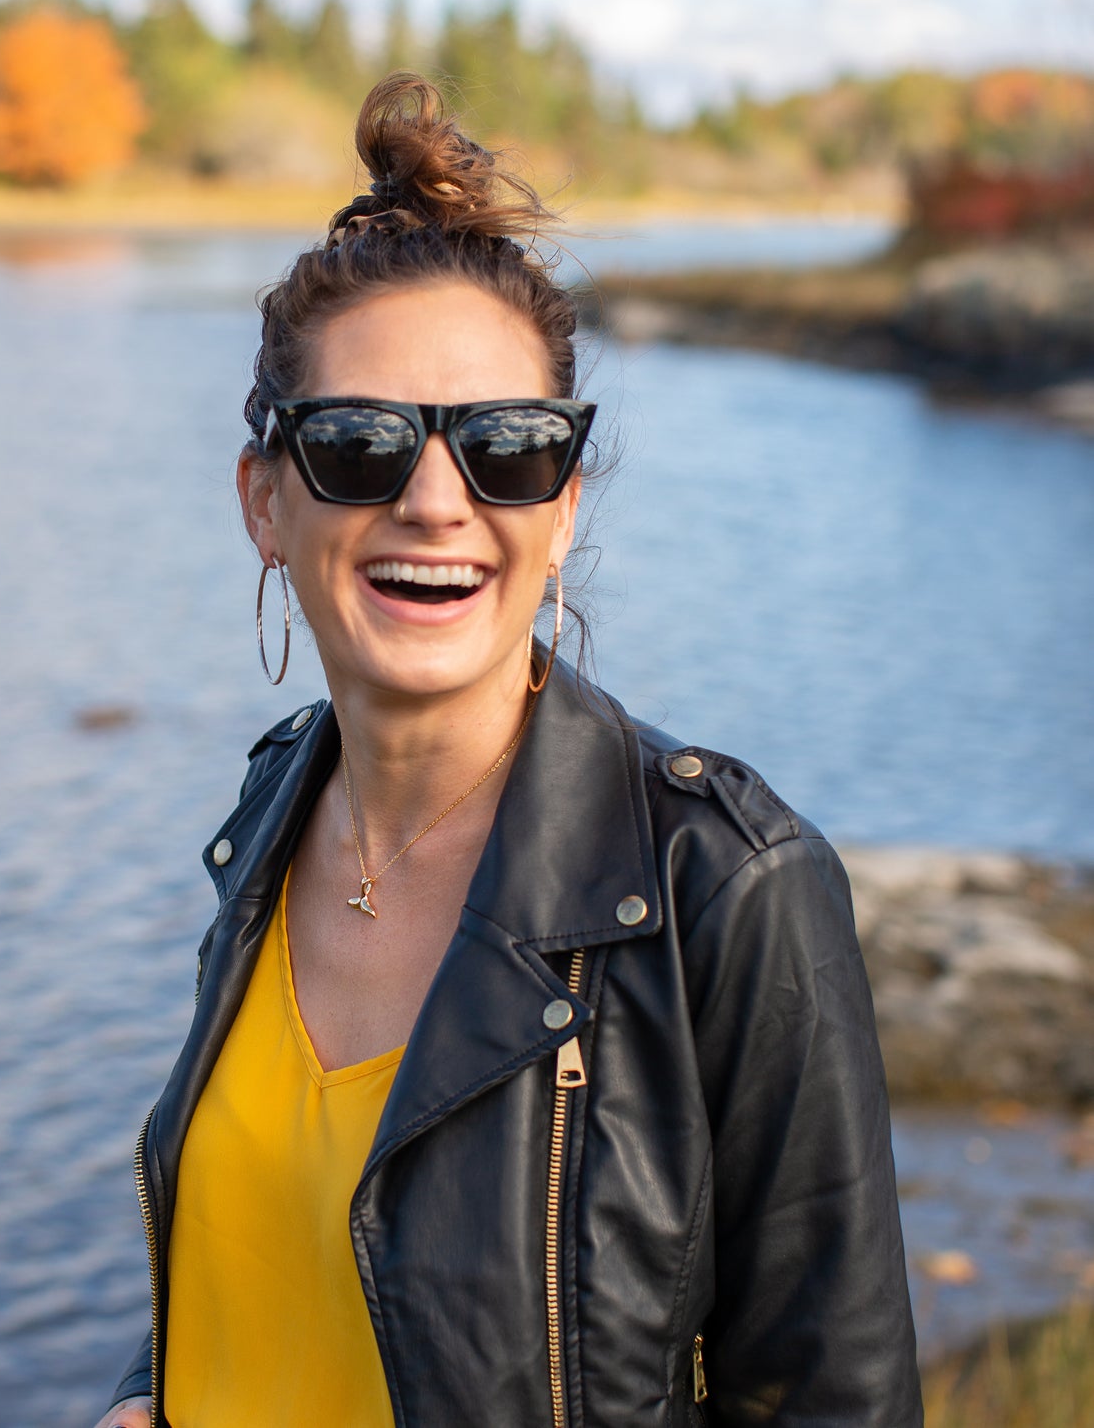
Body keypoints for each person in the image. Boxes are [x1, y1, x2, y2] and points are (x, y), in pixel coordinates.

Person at [95, 74, 922, 1428]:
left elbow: (834, 1401)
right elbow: (274, 1244)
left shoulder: (722, 886)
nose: (436, 500)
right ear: (263, 501)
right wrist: (146, 1393)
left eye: (505, 448)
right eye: (358, 444)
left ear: (563, 503)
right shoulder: (269, 810)